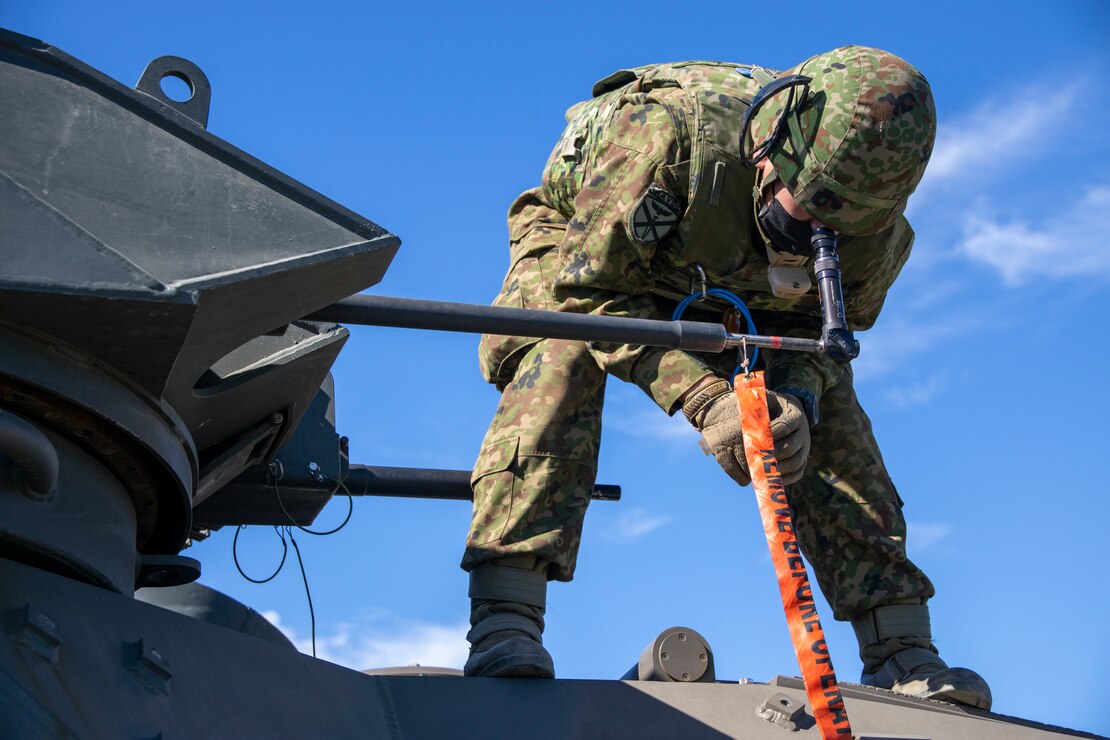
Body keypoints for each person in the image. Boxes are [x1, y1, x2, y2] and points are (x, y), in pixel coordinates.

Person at [460, 46, 992, 710]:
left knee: (833, 420)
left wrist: (794, 396)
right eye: (810, 206)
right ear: (770, 149)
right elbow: (590, 294)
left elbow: (822, 344)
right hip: (593, 248)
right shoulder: (662, 142)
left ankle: (902, 649)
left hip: (743, 287)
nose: (816, 234)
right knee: (558, 360)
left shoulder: (873, 237)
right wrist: (707, 399)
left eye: (841, 224)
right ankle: (506, 620)